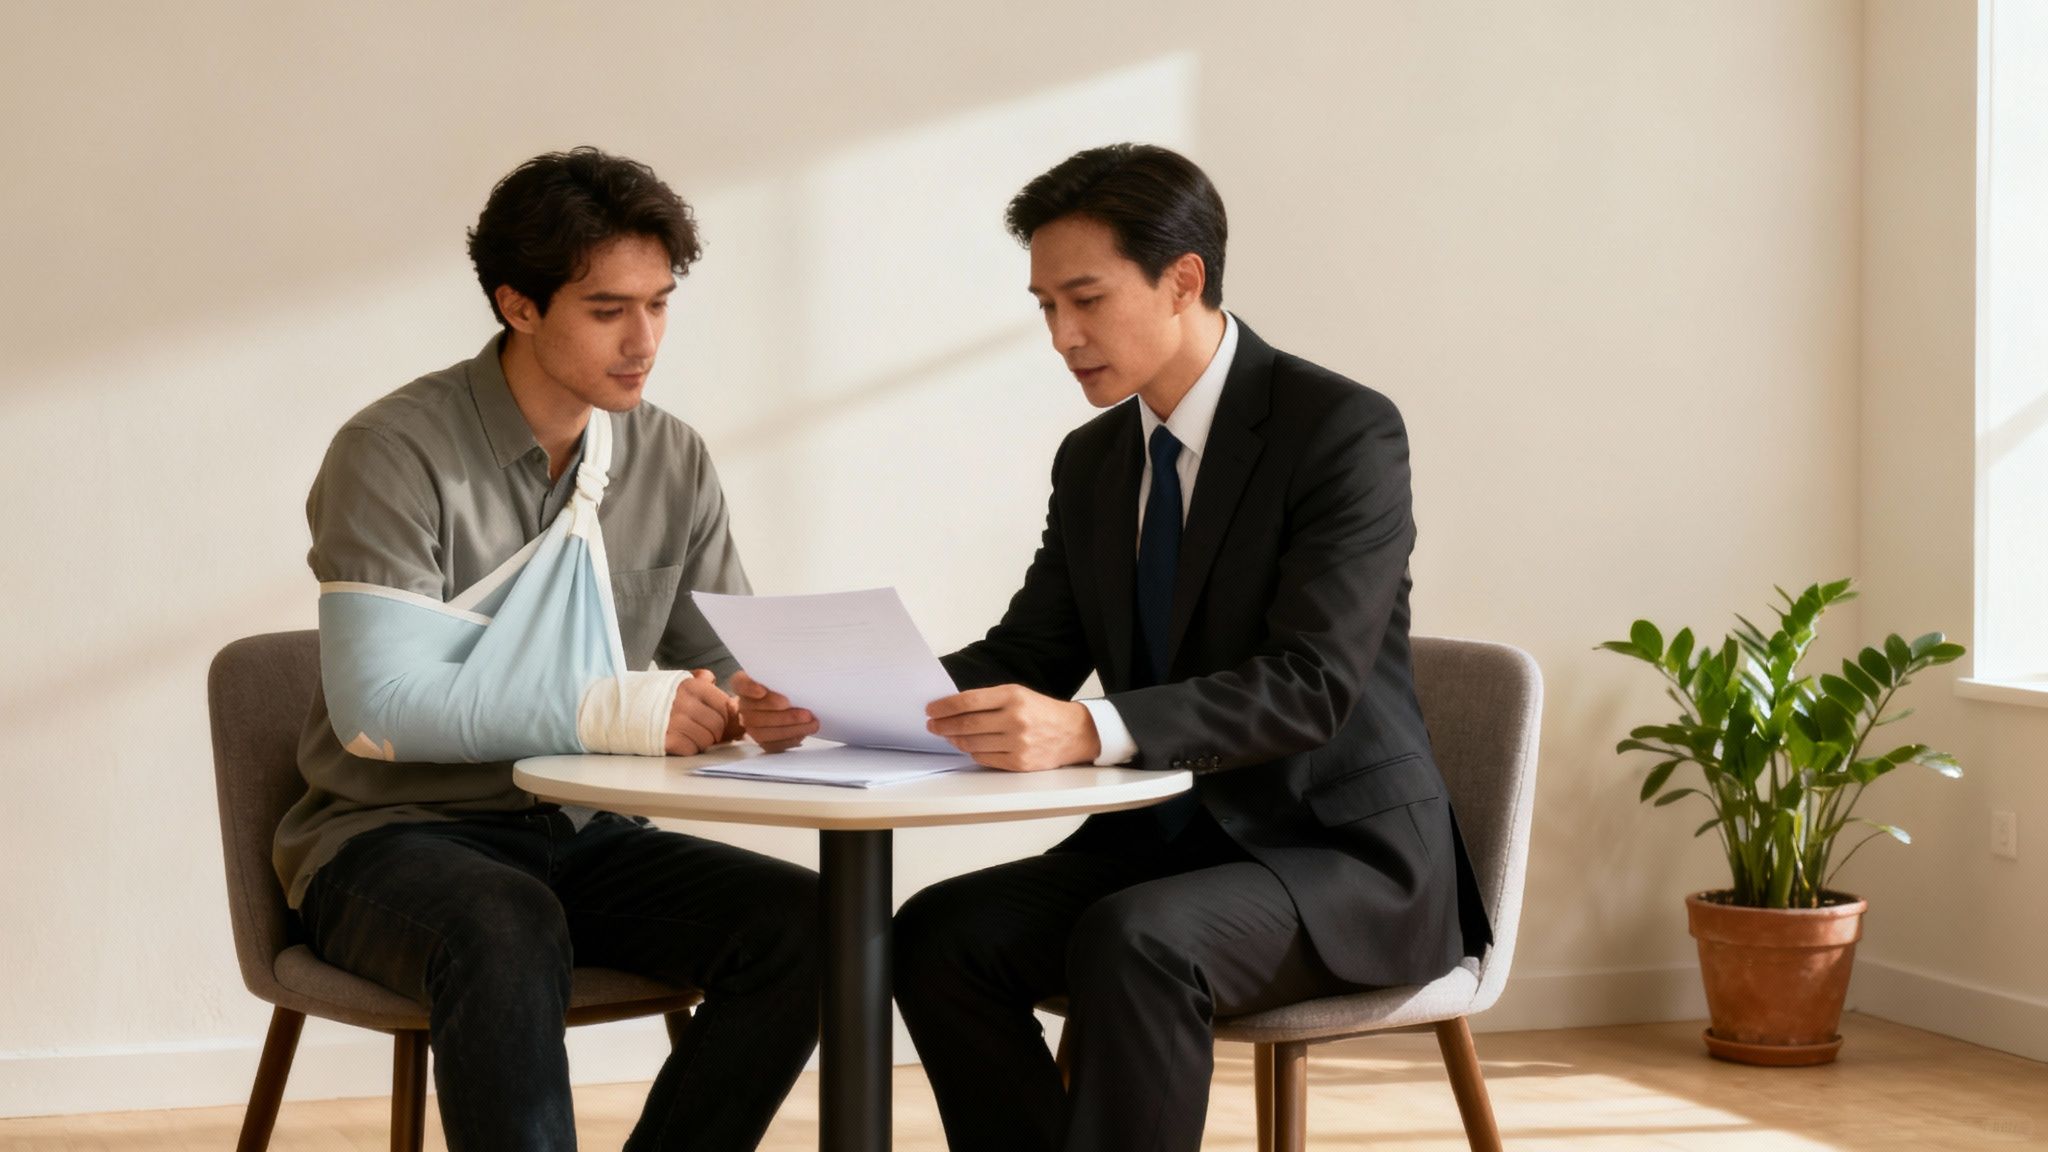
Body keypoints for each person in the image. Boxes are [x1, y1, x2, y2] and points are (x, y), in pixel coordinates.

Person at [735, 143, 1491, 1152]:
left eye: (1083, 299)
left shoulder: (1339, 431)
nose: (1060, 335)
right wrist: (838, 701)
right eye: (1044, 305)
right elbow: (1030, 653)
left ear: (1182, 280)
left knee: (1136, 944)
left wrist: (1090, 729)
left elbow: (1309, 686)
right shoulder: (1094, 460)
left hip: (1339, 857)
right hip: (1166, 845)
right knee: (938, 940)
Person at [274, 147, 818, 1152]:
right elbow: (378, 706)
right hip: (392, 841)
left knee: (813, 928)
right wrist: (621, 708)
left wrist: (761, 703)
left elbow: (720, 661)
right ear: (517, 304)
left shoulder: (669, 455)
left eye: (659, 304)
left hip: (584, 835)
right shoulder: (395, 452)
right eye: (607, 309)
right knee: (502, 923)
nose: (643, 340)